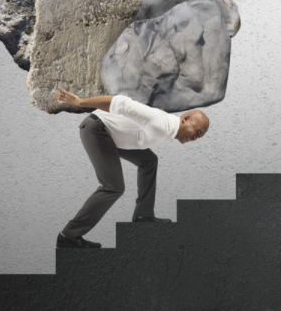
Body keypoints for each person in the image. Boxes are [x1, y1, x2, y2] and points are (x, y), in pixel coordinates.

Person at [52, 86, 210, 249]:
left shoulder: (169, 128)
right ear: (186, 119)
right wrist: (79, 102)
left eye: (199, 136)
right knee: (113, 187)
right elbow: (120, 103)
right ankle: (68, 235)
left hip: (112, 135)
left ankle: (144, 215)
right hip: (97, 129)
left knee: (149, 160)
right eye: (197, 132)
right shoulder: (162, 124)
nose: (195, 138)